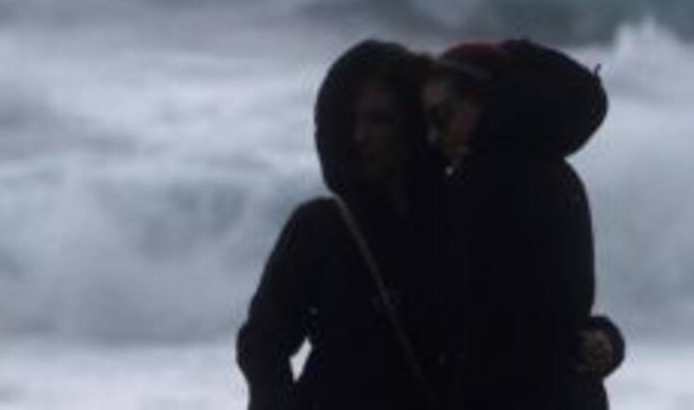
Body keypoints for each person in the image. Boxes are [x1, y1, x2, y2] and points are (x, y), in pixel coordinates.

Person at [237, 40, 442, 410]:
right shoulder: (319, 227)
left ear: (414, 123)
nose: (360, 136)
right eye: (350, 121)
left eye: (380, 119)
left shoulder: (460, 214)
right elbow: (262, 344)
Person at [423, 39, 623, 410]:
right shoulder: (560, 175)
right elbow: (558, 318)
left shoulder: (476, 184)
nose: (434, 138)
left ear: (482, 101)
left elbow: (468, 329)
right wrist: (608, 341)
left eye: (441, 116)